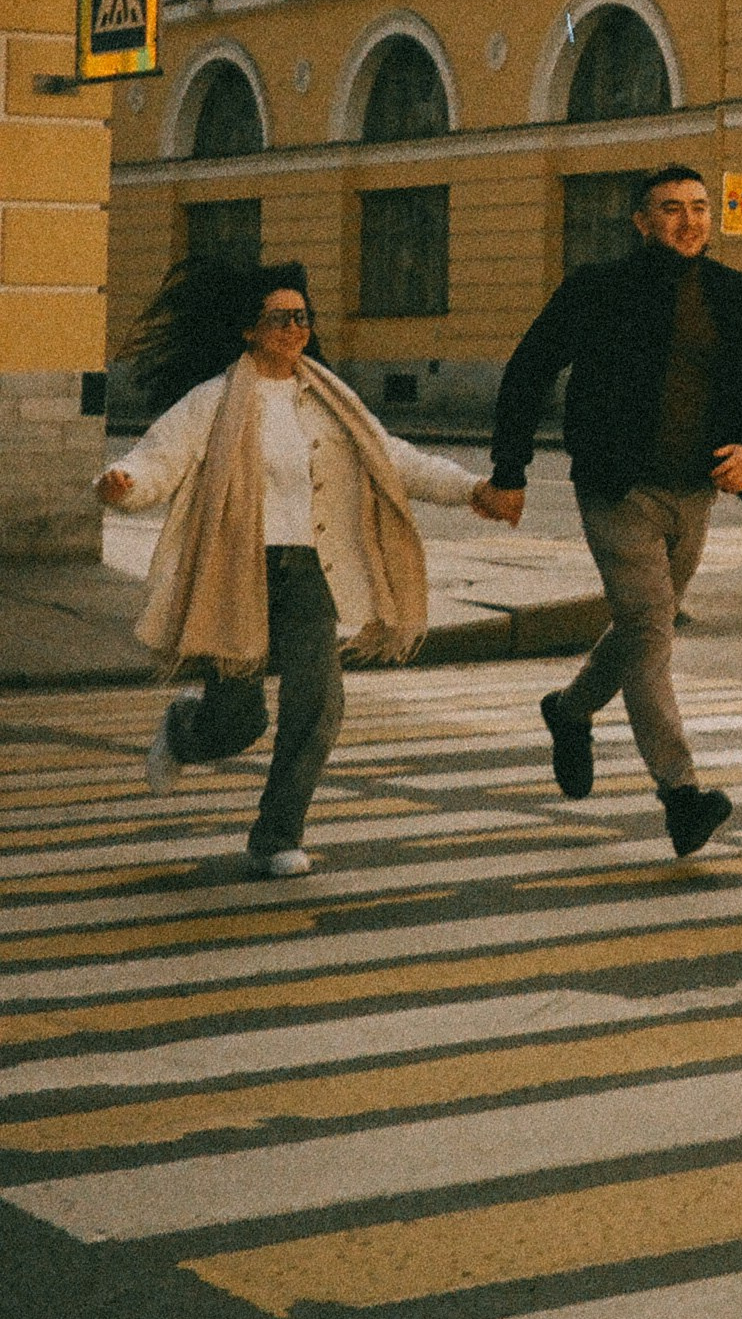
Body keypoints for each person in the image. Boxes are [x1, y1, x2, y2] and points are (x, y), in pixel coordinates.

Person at [100, 257, 492, 878]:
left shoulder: (331, 397)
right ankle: (186, 726)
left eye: (301, 317)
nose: (294, 328)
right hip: (238, 572)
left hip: (310, 572)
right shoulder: (215, 400)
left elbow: (389, 456)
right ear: (249, 329)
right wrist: (124, 482)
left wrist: (470, 489)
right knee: (240, 720)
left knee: (319, 703)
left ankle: (275, 835)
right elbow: (160, 458)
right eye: (279, 318)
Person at [479, 162, 742, 855]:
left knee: (645, 629)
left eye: (698, 207)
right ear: (641, 222)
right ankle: (681, 796)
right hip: (616, 487)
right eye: (670, 209)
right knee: (649, 628)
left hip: (695, 492)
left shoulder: (737, 295)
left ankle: (569, 712)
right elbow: (529, 369)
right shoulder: (598, 291)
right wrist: (510, 470)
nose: (688, 221)